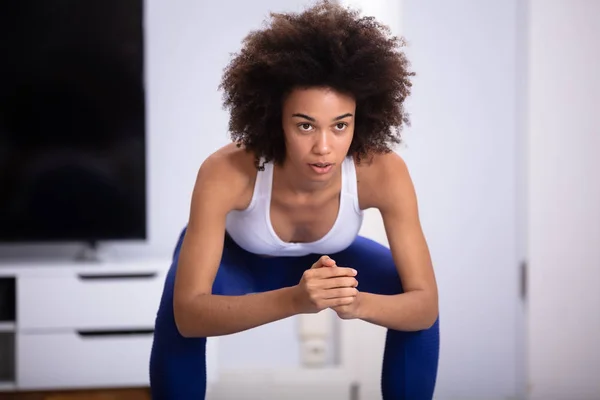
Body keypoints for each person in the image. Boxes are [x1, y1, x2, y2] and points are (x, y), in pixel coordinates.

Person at [149, 1, 440, 398]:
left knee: (411, 305)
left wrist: (359, 304)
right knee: (177, 303)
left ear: (362, 119)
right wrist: (295, 300)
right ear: (274, 119)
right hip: (237, 261)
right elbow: (189, 317)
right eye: (305, 125)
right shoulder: (226, 171)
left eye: (341, 125)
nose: (324, 147)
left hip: (333, 261)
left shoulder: (383, 171)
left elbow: (424, 306)